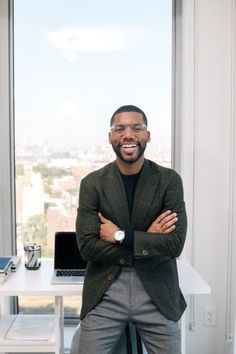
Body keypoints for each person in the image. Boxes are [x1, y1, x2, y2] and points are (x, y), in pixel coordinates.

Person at [75, 105, 187, 354]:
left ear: (147, 135)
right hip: (106, 292)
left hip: (157, 292)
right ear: (110, 137)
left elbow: (175, 244)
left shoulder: (169, 181)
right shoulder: (93, 184)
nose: (128, 135)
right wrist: (149, 239)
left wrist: (119, 236)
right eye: (120, 128)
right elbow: (87, 247)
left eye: (137, 128)